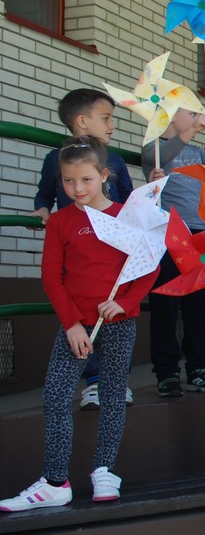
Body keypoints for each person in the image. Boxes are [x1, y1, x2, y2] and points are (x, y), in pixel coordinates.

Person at [1, 139, 159, 511]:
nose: (77, 188)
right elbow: (51, 278)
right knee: (55, 394)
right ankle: (55, 481)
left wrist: (124, 302)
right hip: (76, 326)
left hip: (118, 322)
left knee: (113, 394)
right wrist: (71, 323)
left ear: (104, 176)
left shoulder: (126, 216)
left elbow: (148, 266)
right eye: (68, 181)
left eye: (85, 179)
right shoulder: (60, 221)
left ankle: (104, 470)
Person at [31, 89, 135, 411]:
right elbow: (45, 192)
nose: (112, 125)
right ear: (82, 121)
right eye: (106, 118)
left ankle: (114, 382)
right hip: (75, 246)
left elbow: (129, 200)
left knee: (111, 317)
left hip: (110, 251)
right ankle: (92, 381)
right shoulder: (55, 159)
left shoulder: (115, 160)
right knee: (79, 312)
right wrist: (42, 209)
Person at [142, 107, 205, 396]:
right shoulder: (154, 148)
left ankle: (198, 366)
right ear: (169, 114)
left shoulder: (198, 152)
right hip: (168, 231)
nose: (197, 116)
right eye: (191, 112)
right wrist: (193, 130)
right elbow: (164, 156)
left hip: (198, 232)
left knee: (198, 303)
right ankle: (167, 370)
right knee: (165, 304)